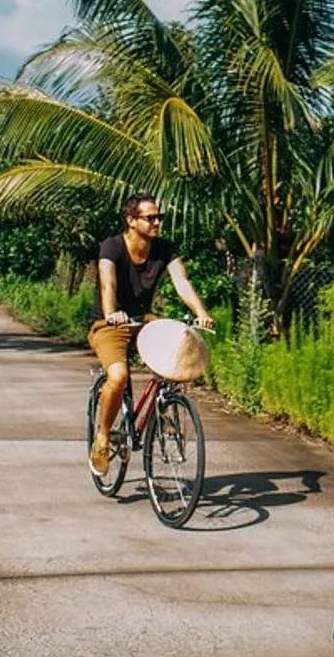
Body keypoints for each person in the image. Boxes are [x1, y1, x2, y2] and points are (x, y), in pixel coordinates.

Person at [88, 192, 214, 478]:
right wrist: (111, 312)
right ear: (131, 220)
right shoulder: (112, 246)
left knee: (174, 355)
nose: (157, 222)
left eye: (160, 217)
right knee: (118, 377)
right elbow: (107, 282)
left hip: (144, 320)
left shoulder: (164, 248)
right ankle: (103, 438)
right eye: (150, 217)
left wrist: (201, 312)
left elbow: (181, 281)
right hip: (110, 324)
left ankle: (163, 410)